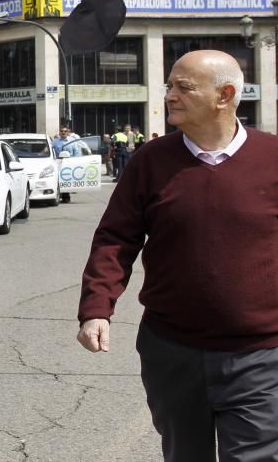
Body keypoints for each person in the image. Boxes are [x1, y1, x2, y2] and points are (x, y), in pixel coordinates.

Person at [76, 50, 278, 461]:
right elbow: (116, 237)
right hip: (171, 351)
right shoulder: (150, 161)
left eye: (183, 87)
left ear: (224, 95)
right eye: (169, 85)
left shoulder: (272, 158)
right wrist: (96, 307)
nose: (169, 95)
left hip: (260, 355)